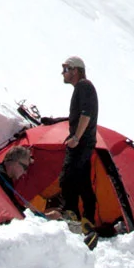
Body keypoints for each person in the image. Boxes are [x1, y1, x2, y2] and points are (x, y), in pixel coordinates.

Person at [57, 55, 98, 229]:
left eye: (66, 69)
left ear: (76, 70)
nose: (63, 73)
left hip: (81, 143)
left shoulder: (84, 86)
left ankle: (72, 215)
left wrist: (76, 137)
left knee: (68, 178)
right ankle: (87, 219)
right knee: (82, 180)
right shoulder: (83, 88)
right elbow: (80, 115)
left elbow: (86, 114)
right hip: (84, 142)